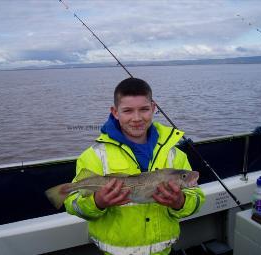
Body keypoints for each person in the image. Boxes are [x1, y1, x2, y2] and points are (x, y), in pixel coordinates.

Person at [64, 77, 205, 255]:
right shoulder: (93, 156)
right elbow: (73, 205)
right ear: (115, 112)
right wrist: (97, 202)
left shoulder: (175, 154)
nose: (136, 118)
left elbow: (197, 199)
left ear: (154, 108)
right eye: (128, 110)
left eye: (144, 109)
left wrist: (180, 202)